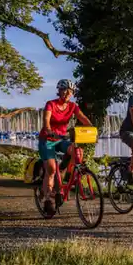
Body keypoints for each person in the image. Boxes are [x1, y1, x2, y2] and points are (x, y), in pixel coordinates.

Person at [38, 79, 93, 215]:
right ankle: (48, 198)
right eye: (65, 90)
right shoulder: (51, 104)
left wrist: (92, 128)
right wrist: (50, 131)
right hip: (48, 140)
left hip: (61, 140)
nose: (68, 93)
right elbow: (46, 121)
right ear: (60, 91)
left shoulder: (72, 106)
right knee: (50, 169)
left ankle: (66, 174)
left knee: (77, 151)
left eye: (71, 91)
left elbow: (83, 118)